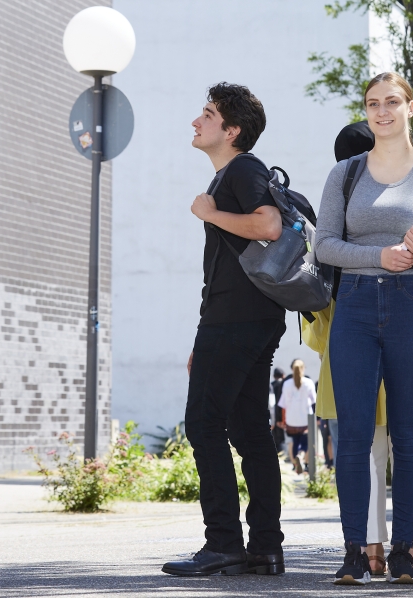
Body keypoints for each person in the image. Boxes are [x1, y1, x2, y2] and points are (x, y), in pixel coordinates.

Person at [315, 72, 413, 585]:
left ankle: (403, 550)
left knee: (408, 435)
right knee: (353, 433)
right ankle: (354, 552)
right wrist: (377, 255)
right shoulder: (345, 174)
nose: (381, 112)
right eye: (371, 104)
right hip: (355, 308)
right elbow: (324, 246)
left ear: (410, 107)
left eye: (390, 102)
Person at [162, 84, 286, 578]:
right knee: (251, 430)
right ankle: (264, 548)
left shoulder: (243, 169)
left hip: (236, 319)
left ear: (232, 131)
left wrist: (210, 213)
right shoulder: (230, 175)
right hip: (246, 317)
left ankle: (223, 544)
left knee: (204, 423)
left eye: (208, 114)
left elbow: (270, 225)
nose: (197, 121)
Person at [280, 359, 317, 474]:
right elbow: (314, 401)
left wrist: (283, 420)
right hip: (306, 419)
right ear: (303, 369)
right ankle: (301, 456)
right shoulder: (309, 383)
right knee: (306, 442)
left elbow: (283, 404)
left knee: (295, 441)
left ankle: (296, 463)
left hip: (291, 419)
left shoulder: (286, 384)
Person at [271, 368, 287, 453]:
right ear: (283, 375)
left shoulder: (271, 385)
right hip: (283, 414)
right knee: (283, 439)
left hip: (273, 414)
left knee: (274, 438)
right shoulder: (285, 384)